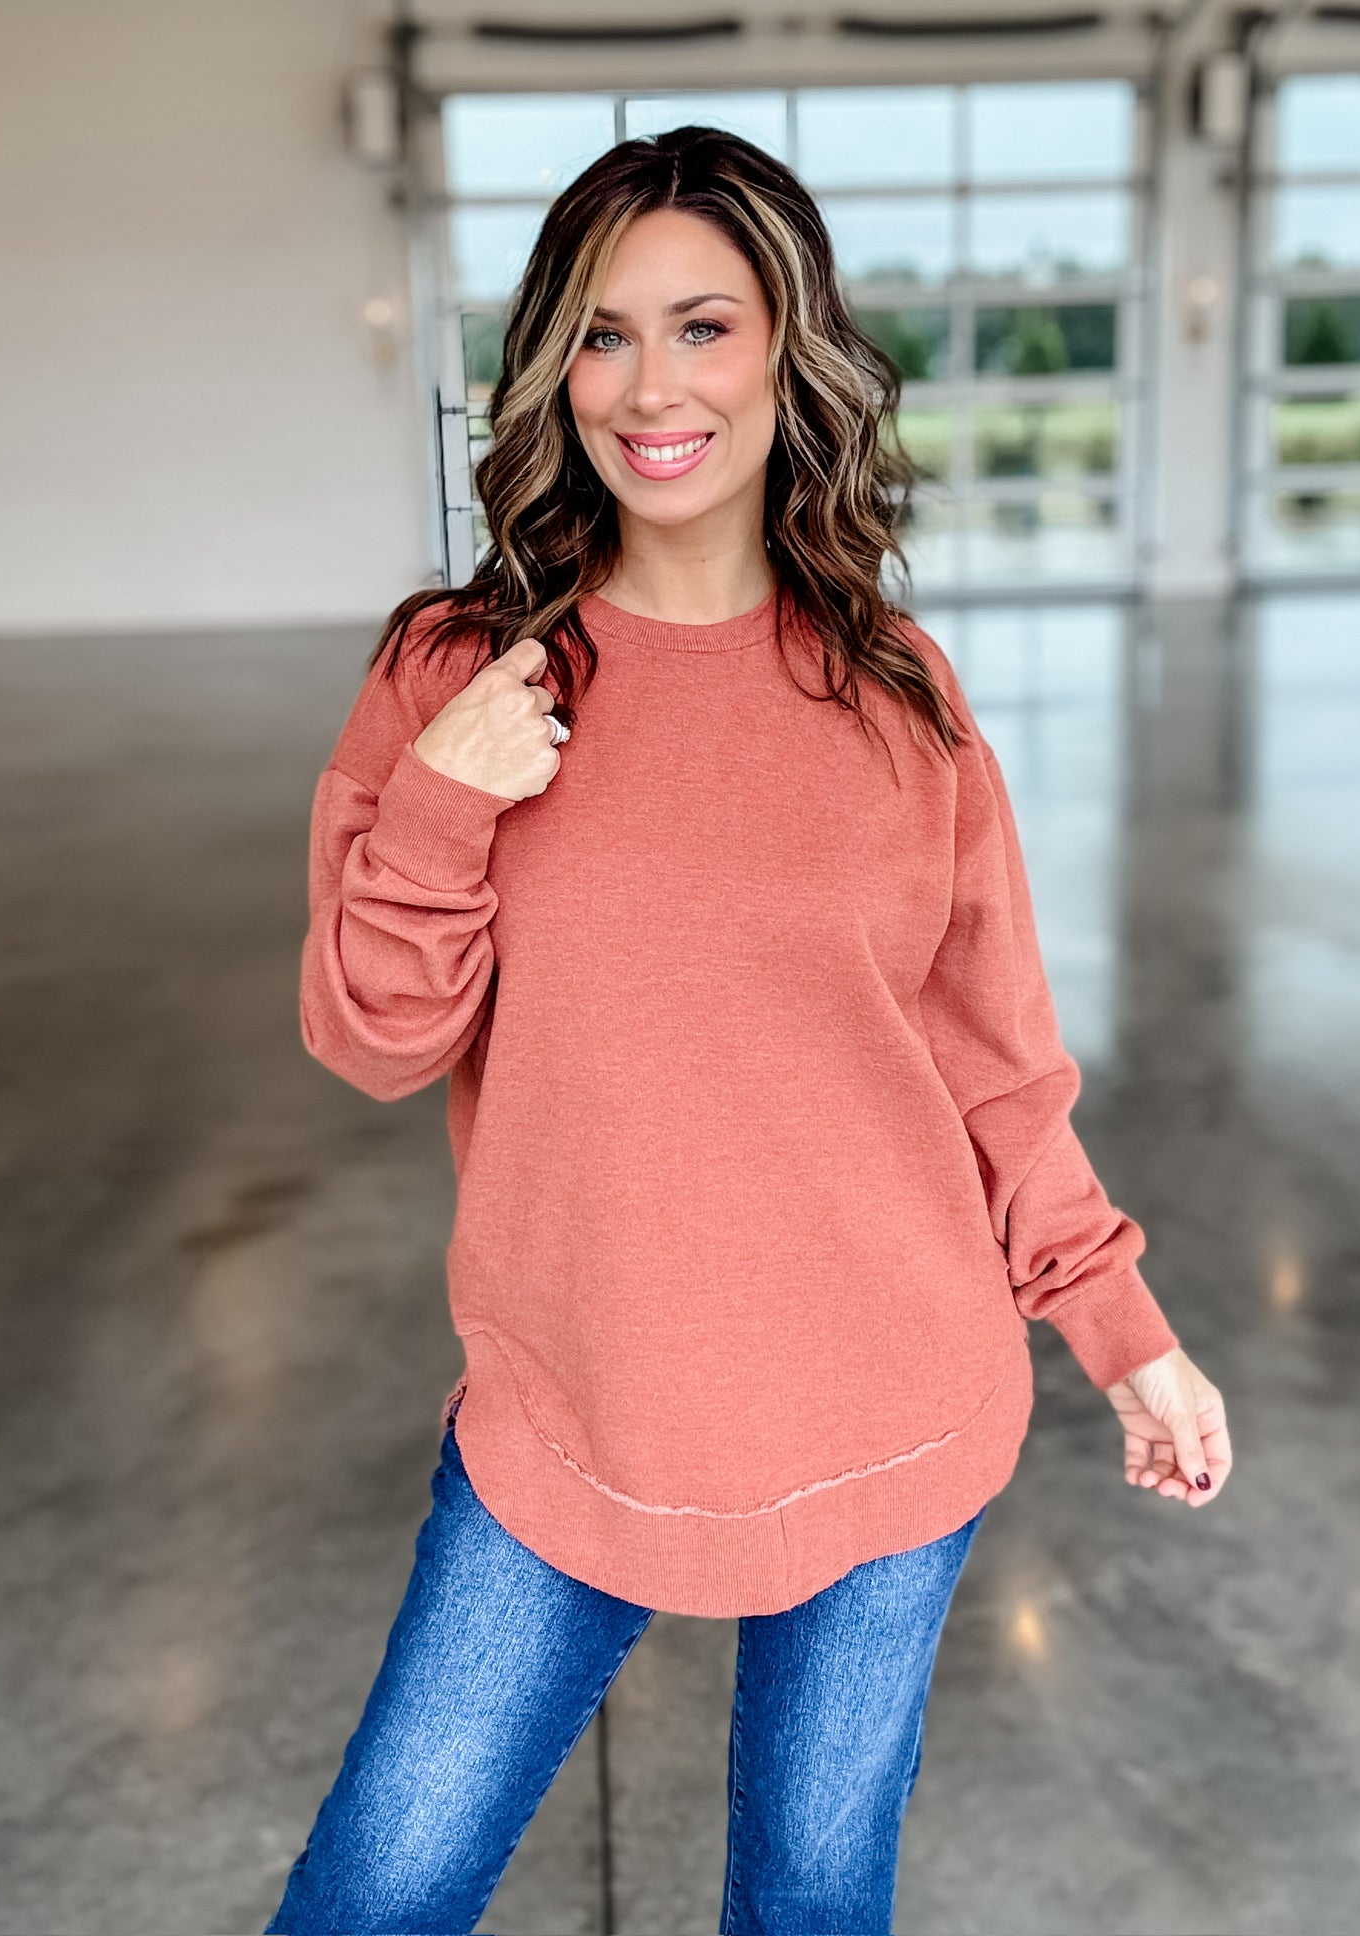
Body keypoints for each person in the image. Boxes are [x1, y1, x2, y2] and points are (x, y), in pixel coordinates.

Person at [264, 127, 1231, 1936]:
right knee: (377, 1892)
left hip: (891, 1399)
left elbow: (993, 1061)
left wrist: (1124, 1327)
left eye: (704, 326)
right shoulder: (457, 673)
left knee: (808, 1899)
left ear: (792, 353)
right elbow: (372, 1037)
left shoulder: (897, 697)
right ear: (553, 367)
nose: (654, 388)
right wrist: (445, 805)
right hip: (574, 1408)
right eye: (604, 333)